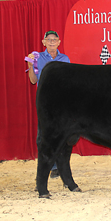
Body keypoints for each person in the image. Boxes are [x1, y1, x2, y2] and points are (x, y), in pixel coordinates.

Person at [27, 30, 70, 178]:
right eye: (49, 39)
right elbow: (33, 80)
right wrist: (30, 65)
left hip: (61, 101)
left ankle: (59, 165)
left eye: (54, 40)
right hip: (45, 102)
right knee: (45, 134)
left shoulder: (65, 59)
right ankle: (49, 165)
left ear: (59, 42)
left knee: (61, 133)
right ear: (43, 42)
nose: (52, 42)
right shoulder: (37, 58)